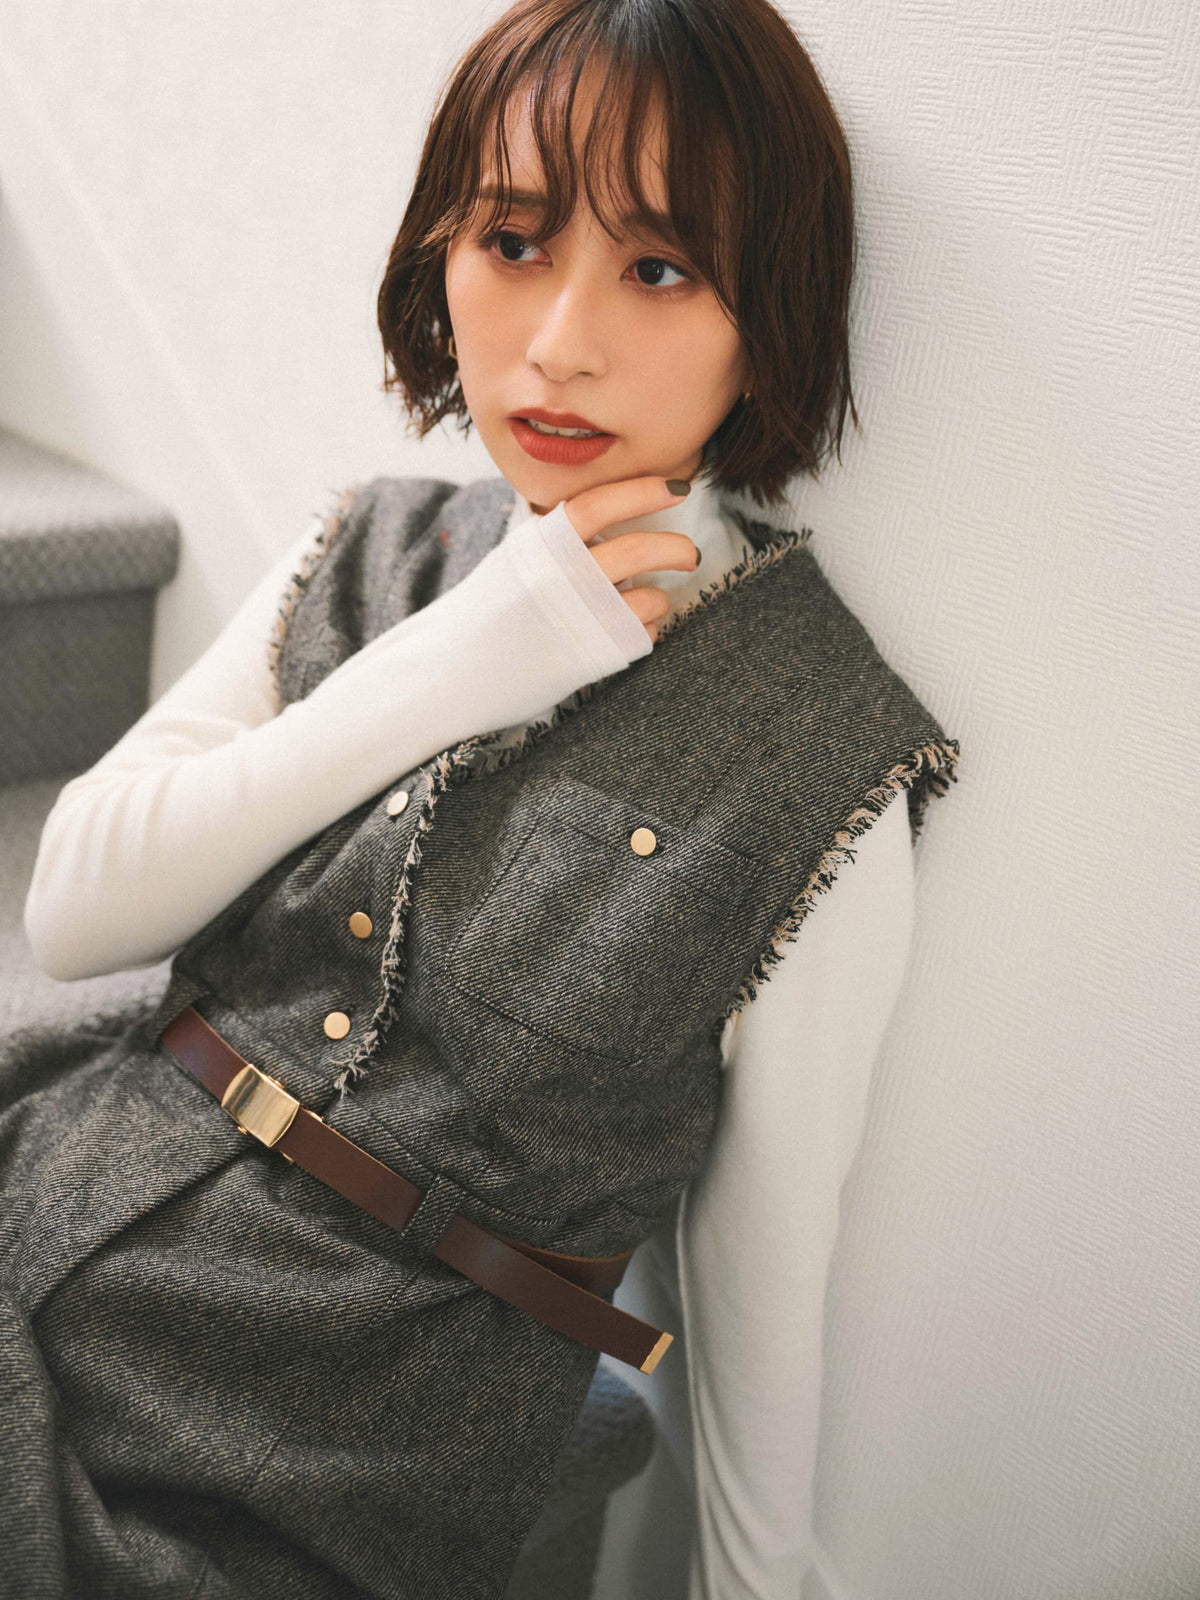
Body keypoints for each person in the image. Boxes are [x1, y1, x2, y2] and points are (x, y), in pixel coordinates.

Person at [7, 2, 960, 1596]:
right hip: (63, 1173)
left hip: (320, 1430)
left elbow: (764, 1267)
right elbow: (74, 907)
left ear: (769, 310)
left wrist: (759, 1577)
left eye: (661, 268)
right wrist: (454, 663)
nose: (561, 339)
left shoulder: (821, 754)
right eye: (513, 241)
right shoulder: (377, 546)